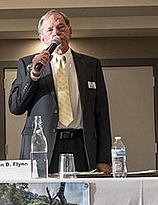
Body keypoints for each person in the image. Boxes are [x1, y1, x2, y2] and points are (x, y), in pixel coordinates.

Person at [8, 10, 112, 174]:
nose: (56, 32)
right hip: (44, 146)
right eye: (50, 30)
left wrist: (104, 158)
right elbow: (15, 107)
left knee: (84, 197)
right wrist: (34, 75)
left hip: (82, 145)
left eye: (61, 27)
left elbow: (101, 113)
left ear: (70, 32)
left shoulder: (91, 65)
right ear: (43, 38)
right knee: (42, 196)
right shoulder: (27, 63)